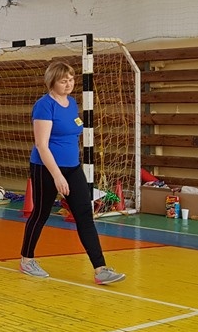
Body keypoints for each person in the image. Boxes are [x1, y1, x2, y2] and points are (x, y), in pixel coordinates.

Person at [20, 61, 126, 285]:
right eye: (63, 81)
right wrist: (57, 176)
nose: (69, 84)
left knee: (84, 214)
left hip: (73, 167)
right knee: (41, 213)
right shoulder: (44, 106)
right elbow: (41, 145)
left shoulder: (72, 104)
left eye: (71, 79)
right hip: (45, 168)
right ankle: (27, 260)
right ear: (52, 82)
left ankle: (100, 269)